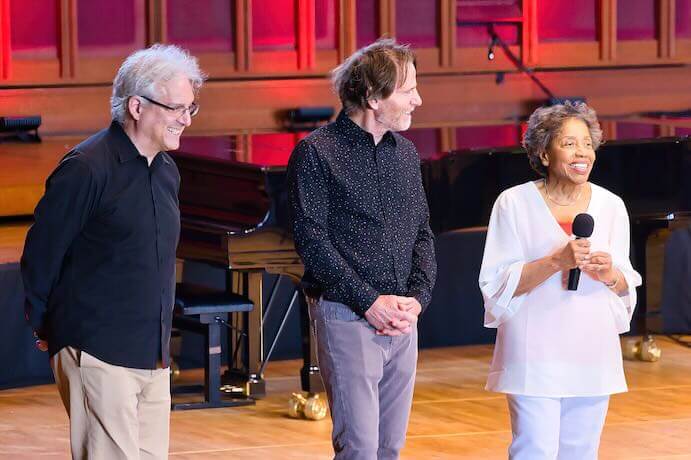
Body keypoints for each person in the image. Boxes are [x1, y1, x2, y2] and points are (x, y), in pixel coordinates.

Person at [21, 44, 205, 459]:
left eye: (191, 108)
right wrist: (45, 323)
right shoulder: (87, 167)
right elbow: (42, 251)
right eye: (177, 108)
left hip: (152, 352)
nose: (185, 120)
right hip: (97, 346)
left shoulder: (166, 169)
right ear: (137, 106)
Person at [287, 38, 437, 459]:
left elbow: (422, 232)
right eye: (408, 91)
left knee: (390, 447)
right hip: (348, 315)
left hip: (402, 319)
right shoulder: (317, 153)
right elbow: (312, 240)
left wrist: (418, 300)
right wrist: (369, 302)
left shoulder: (405, 154)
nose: (418, 100)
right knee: (359, 449)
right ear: (373, 96)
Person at [479, 101, 642, 459]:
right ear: (544, 152)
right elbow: (496, 285)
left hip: (592, 351)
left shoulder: (611, 205)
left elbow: (625, 283)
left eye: (587, 143)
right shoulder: (513, 203)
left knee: (582, 452)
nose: (582, 152)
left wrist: (609, 274)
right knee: (533, 450)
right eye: (569, 143)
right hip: (533, 351)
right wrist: (556, 261)